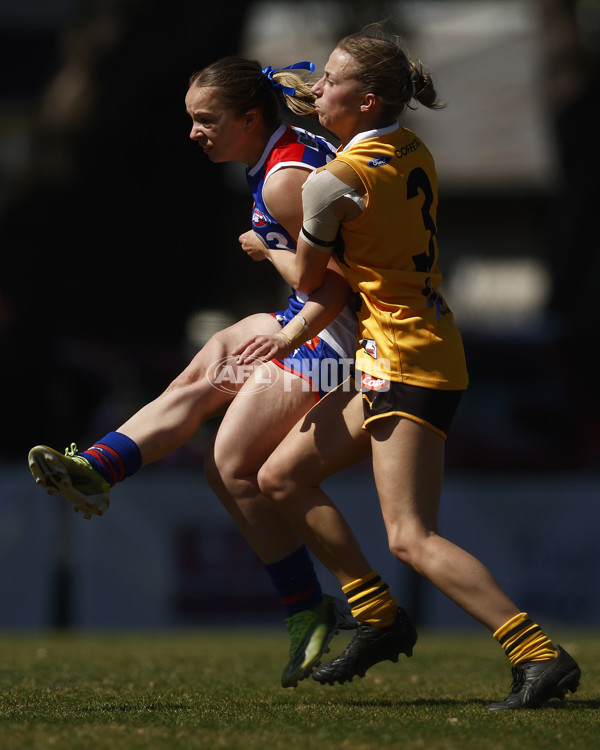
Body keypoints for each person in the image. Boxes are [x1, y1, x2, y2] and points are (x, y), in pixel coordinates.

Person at [27, 56, 411, 689]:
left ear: (249, 119)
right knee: (199, 381)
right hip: (315, 319)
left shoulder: (285, 179)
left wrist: (272, 255)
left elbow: (336, 290)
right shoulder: (284, 156)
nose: (194, 132)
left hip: (342, 339)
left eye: (206, 120)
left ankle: (323, 607)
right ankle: (97, 466)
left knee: (230, 466)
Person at [233, 26, 582, 710]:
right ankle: (378, 617)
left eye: (331, 80)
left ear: (365, 102)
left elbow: (305, 276)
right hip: (413, 345)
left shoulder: (333, 181)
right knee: (280, 475)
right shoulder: (409, 146)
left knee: (411, 537)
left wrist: (262, 246)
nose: (318, 87)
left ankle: (539, 656)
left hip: (404, 357)